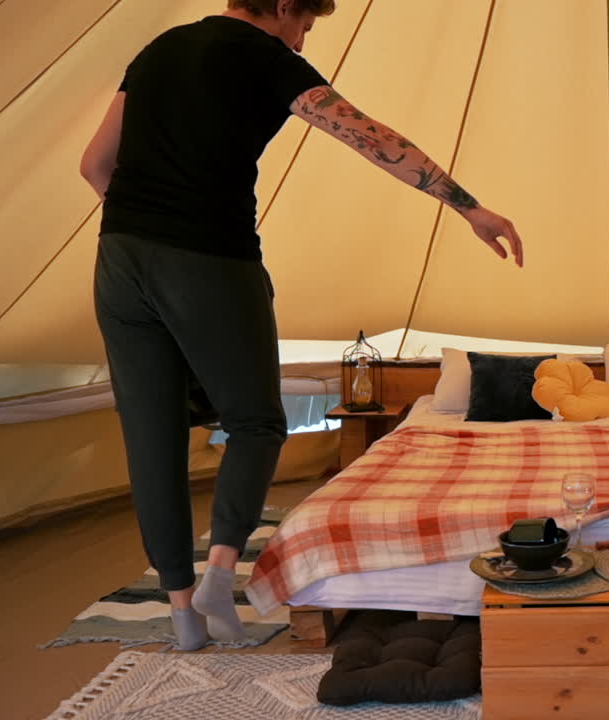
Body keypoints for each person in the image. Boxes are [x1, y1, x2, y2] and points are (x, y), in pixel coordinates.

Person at [79, 0, 523, 650]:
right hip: (209, 257)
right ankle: (223, 568)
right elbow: (372, 139)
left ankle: (181, 614)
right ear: (285, 7)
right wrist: (468, 207)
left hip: (117, 259)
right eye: (306, 23)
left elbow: (94, 165)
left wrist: (146, 224)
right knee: (257, 422)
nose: (302, 35)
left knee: (152, 439)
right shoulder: (266, 58)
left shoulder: (160, 50)